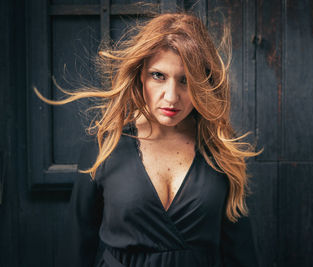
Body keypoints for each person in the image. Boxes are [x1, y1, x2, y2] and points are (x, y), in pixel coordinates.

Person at [36, 12, 261, 267]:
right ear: (140, 74)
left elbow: (241, 255)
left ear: (203, 83)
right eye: (158, 76)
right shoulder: (104, 148)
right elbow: (75, 251)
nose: (171, 96)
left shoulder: (221, 152)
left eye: (186, 80)